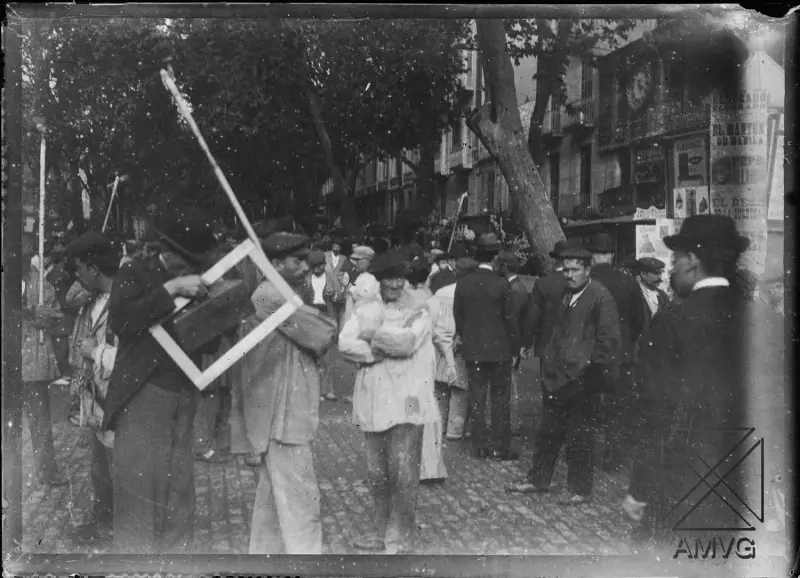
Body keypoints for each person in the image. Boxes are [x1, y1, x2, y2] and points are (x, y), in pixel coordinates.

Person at [624, 215, 751, 543]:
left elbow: (655, 411)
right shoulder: (763, 319)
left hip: (683, 483)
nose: (672, 269)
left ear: (693, 261)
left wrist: (639, 489)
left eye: (675, 259)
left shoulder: (673, 321)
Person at [105, 204, 222, 554]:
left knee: (178, 492)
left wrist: (219, 316)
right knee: (140, 491)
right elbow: (122, 323)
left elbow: (206, 341)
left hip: (182, 396)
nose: (195, 272)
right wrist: (171, 288)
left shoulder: (197, 279)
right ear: (167, 254)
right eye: (188, 264)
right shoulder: (134, 274)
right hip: (144, 396)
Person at [242, 232, 337, 554]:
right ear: (277, 263)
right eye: (297, 261)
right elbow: (323, 335)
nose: (304, 267)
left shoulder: (280, 291)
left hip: (278, 411)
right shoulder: (271, 295)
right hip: (284, 414)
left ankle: (261, 561)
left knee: (270, 503)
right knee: (301, 504)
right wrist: (319, 318)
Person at [338, 250, 438, 554]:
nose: (394, 283)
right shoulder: (366, 307)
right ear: (378, 280)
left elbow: (406, 343)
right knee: (378, 473)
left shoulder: (421, 306)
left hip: (409, 399)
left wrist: (372, 336)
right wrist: (374, 351)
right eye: (388, 278)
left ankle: (401, 537)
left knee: (404, 471)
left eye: (399, 277)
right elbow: (345, 343)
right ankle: (380, 532)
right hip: (374, 401)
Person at [507, 242, 620, 505]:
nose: (568, 275)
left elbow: (609, 340)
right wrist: (549, 361)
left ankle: (580, 489)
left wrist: (592, 375)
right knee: (549, 433)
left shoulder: (600, 297)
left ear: (588, 269)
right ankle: (538, 479)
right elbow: (558, 333)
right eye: (566, 270)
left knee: (580, 437)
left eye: (575, 270)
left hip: (582, 379)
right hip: (558, 377)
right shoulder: (567, 296)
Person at [64, 232, 121, 545]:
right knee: (99, 470)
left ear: (93, 268)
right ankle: (103, 524)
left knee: (115, 471)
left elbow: (129, 361)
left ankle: (118, 530)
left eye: (79, 268)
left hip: (113, 400)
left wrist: (94, 352)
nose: (76, 275)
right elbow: (70, 297)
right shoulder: (92, 298)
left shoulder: (120, 303)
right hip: (95, 403)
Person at [584, 232, 647, 472]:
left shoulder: (585, 281)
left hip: (589, 350)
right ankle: (613, 457)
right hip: (621, 352)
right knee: (618, 406)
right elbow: (638, 319)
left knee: (586, 403)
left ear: (591, 256)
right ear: (611, 255)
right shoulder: (628, 282)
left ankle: (583, 456)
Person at [453, 233, 519, 461]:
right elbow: (509, 319)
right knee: (501, 399)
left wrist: (467, 337)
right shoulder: (501, 283)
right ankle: (501, 446)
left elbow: (458, 318)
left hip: (474, 351)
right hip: (500, 350)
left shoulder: (462, 283)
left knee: (477, 397)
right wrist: (515, 348)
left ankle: (479, 446)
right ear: (494, 258)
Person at [22, 252, 69, 487]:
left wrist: (32, 312)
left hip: (31, 360)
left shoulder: (41, 285)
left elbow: (55, 315)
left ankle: (46, 470)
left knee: (40, 420)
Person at [405, 261, 448, 484]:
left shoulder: (406, 301)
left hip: (410, 359)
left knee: (411, 408)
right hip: (428, 357)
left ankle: (413, 464)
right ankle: (432, 466)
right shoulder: (433, 301)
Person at [496, 251, 529, 434]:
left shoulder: (515, 290)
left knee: (510, 385)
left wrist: (515, 350)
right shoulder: (515, 287)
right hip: (511, 344)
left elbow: (514, 322)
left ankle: (512, 424)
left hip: (510, 345)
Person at [521, 240, 569, 364]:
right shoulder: (582, 283)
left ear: (555, 259)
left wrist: (526, 343)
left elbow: (533, 316)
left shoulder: (543, 283)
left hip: (547, 345)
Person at [305, 249, 341, 401]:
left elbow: (340, 295)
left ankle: (328, 390)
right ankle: (316, 391)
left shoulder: (330, 276)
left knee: (327, 355)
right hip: (312, 315)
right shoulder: (306, 279)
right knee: (314, 355)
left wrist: (333, 293)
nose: (320, 269)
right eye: (316, 267)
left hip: (327, 315)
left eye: (321, 266)